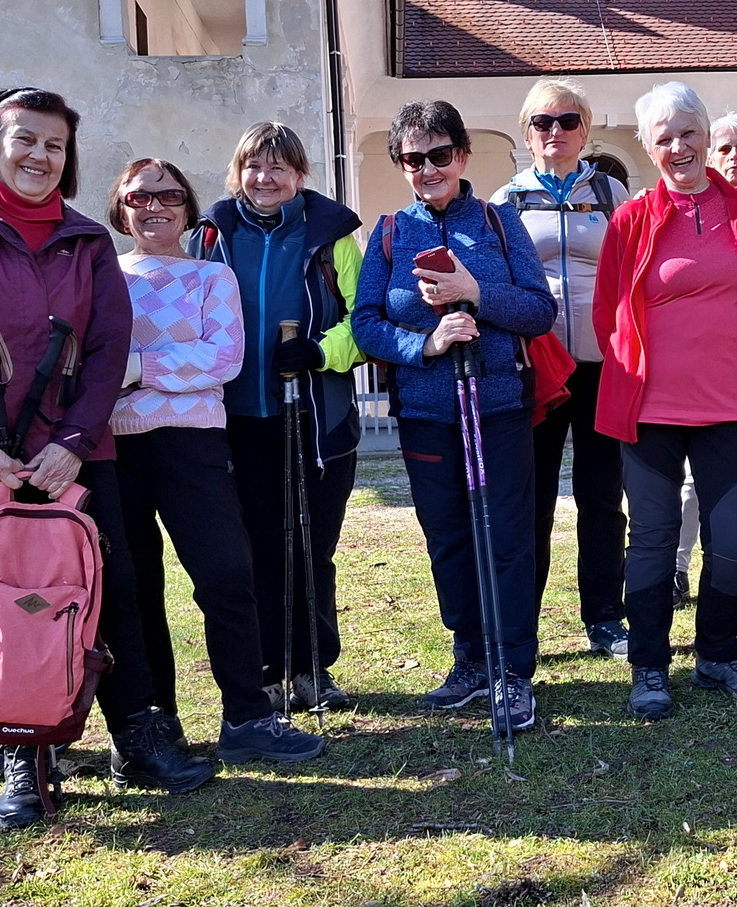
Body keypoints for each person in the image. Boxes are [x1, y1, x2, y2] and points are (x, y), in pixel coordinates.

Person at [0, 87, 215, 828]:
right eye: (26, 139)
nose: (40, 155)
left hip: (74, 449)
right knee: (7, 599)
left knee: (114, 588)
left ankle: (136, 734)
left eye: (55, 145)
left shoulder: (87, 240)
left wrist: (71, 442)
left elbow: (109, 347)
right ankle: (23, 753)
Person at [105, 158, 326, 763]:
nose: (155, 208)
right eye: (139, 197)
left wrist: (138, 369)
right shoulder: (101, 276)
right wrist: (161, 365)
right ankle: (157, 721)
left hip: (194, 444)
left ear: (188, 206)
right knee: (135, 588)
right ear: (120, 208)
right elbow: (98, 361)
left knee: (227, 577)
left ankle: (247, 717)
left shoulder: (211, 279)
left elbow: (223, 359)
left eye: (169, 196)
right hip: (112, 448)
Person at [353, 101, 558, 733]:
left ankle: (512, 671)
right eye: (414, 159)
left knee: (506, 537)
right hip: (426, 412)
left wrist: (476, 294)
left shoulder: (499, 225)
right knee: (447, 537)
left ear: (462, 156)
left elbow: (537, 311)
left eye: (440, 154)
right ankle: (469, 658)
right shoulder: (388, 234)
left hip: (496, 406)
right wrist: (426, 344)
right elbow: (366, 324)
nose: (428, 168)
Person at [594, 83, 737, 720]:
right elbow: (607, 312)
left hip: (730, 403)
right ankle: (649, 665)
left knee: (731, 538)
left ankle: (718, 655)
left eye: (688, 133)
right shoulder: (632, 217)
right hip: (649, 408)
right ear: (648, 147)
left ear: (708, 134)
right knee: (652, 537)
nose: (679, 147)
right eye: (664, 137)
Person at [190, 123, 366, 710]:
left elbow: (362, 322)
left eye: (278, 168)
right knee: (255, 548)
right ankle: (267, 668)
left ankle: (314, 666)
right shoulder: (211, 235)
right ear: (238, 173)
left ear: (300, 175)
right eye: (253, 167)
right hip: (236, 420)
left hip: (316, 417)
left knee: (311, 545)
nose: (265, 179)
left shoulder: (332, 235)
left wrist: (320, 352)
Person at [490, 80, 631, 659]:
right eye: (543, 122)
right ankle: (521, 622)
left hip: (602, 364)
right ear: (527, 133)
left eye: (568, 121)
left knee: (603, 496)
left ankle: (604, 618)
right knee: (533, 499)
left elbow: (631, 271)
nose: (556, 132)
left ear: (586, 129)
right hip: (537, 366)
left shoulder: (611, 190)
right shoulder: (506, 201)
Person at [675, 112, 737, 598]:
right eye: (725, 148)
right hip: (712, 365)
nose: (734, 157)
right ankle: (678, 562)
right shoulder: (707, 209)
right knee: (698, 478)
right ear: (710, 156)